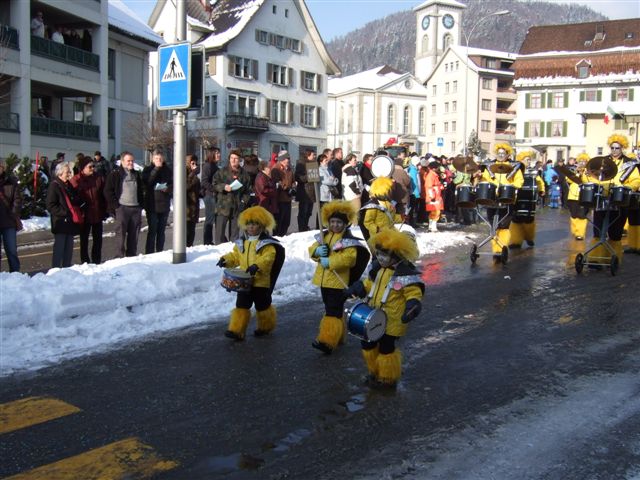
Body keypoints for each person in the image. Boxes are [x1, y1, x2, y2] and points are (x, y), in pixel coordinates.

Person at [344, 228, 425, 389]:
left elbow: (413, 293)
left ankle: (388, 377)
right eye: (378, 254)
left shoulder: (405, 276)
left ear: (396, 257)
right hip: (374, 316)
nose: (380, 258)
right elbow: (369, 284)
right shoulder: (378, 270)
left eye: (384, 255)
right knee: (367, 343)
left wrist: (412, 306)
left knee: (386, 348)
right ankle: (374, 370)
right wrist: (358, 288)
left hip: (393, 320)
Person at [308, 201, 370, 354]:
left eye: (339, 222)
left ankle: (327, 342)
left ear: (345, 223)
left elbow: (349, 259)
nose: (335, 225)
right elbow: (312, 248)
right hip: (324, 280)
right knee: (333, 309)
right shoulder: (324, 236)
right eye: (333, 222)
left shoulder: (348, 241)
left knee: (332, 311)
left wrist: (330, 261)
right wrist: (317, 252)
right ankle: (339, 336)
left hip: (338, 282)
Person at [216, 206, 285, 340]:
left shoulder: (267, 244)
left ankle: (265, 327)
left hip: (261, 282)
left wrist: (256, 266)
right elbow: (236, 256)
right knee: (241, 304)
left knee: (262, 305)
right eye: (248, 224)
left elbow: (268, 258)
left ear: (262, 225)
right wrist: (225, 260)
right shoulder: (242, 242)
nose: (251, 227)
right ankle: (237, 330)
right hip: (244, 282)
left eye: (254, 224)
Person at [583, 134, 640, 265]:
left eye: (617, 148)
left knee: (615, 232)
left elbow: (636, 180)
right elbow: (590, 175)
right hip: (602, 198)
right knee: (598, 230)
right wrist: (592, 183)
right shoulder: (601, 162)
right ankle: (596, 258)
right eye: (612, 148)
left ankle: (612, 257)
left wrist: (628, 187)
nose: (614, 150)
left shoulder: (629, 164)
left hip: (620, 199)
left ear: (622, 148)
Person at [474, 143, 524, 263]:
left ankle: (501, 248)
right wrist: (479, 177)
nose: (501, 155)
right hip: (492, 199)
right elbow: (485, 179)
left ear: (508, 155)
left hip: (507, 199)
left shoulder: (514, 166)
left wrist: (511, 187)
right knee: (493, 226)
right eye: (499, 153)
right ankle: (496, 249)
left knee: (503, 226)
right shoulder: (490, 166)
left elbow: (519, 181)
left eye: (503, 153)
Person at [104, 151, 144, 258]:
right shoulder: (115, 174)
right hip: (122, 208)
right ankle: (119, 257)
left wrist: (141, 205)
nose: (131, 163)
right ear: (122, 162)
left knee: (134, 235)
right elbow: (107, 191)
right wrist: (116, 206)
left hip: (135, 208)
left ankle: (131, 256)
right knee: (120, 235)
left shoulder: (136, 174)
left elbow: (141, 190)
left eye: (132, 161)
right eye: (128, 161)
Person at [70, 155, 106, 264]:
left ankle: (96, 261)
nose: (92, 169)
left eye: (93, 166)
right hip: (84, 214)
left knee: (98, 239)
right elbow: (72, 196)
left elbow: (103, 194)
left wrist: (104, 209)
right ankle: (85, 261)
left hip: (97, 213)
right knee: (84, 240)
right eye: (90, 167)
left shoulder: (98, 178)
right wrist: (80, 205)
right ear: (83, 168)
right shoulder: (76, 180)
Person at [46, 162, 81, 268]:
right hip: (61, 222)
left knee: (69, 249)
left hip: (70, 222)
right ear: (60, 173)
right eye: (67, 172)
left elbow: (75, 199)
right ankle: (56, 270)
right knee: (59, 249)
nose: (69, 174)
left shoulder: (69, 185)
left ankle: (67, 270)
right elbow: (50, 205)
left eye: (69, 172)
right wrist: (65, 212)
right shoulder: (54, 186)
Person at [213, 149, 251, 244]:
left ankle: (233, 250)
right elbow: (214, 184)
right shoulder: (222, 171)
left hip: (237, 207)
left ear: (240, 160)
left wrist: (243, 201)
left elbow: (248, 191)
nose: (233, 160)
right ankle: (219, 251)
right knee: (219, 235)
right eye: (231, 158)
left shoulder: (244, 174)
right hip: (223, 206)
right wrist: (224, 187)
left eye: (236, 158)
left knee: (234, 236)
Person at [509, 151, 545, 248]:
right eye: (526, 160)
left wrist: (541, 190)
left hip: (529, 197)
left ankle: (529, 237)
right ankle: (516, 241)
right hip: (517, 197)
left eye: (529, 160)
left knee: (529, 218)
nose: (528, 161)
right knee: (516, 219)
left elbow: (539, 182)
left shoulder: (533, 171)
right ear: (520, 160)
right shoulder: (514, 170)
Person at [142, 150, 172, 254]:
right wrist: (156, 169)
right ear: (152, 159)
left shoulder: (168, 170)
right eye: (156, 159)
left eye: (160, 158)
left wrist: (168, 188)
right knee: (152, 231)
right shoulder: (148, 169)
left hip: (164, 204)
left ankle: (160, 251)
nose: (159, 160)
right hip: (152, 205)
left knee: (161, 231)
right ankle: (149, 253)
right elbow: (147, 181)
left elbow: (173, 183)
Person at [359, 176, 401, 241]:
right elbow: (367, 222)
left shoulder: (388, 203)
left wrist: (401, 217)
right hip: (378, 238)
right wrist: (377, 229)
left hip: (390, 234)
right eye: (388, 190)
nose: (390, 192)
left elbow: (391, 217)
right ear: (382, 190)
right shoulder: (372, 206)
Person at [0, 159, 22, 273]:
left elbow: (17, 200)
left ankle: (15, 274)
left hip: (8, 222)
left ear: (3, 168)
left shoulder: (11, 182)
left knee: (12, 250)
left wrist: (13, 213)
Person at [270, 150, 296, 236]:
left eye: (288, 158)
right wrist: (287, 189)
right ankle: (277, 237)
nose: (288, 160)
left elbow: (293, 180)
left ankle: (283, 237)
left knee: (287, 222)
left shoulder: (289, 168)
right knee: (278, 222)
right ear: (281, 159)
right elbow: (277, 182)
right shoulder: (275, 169)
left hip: (288, 199)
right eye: (286, 158)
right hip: (279, 199)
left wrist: (293, 187)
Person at [566, 153, 589, 241]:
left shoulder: (589, 172)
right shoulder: (574, 170)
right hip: (572, 196)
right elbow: (568, 180)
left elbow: (588, 181)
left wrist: (583, 174)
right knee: (573, 215)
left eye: (584, 161)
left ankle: (580, 233)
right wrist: (577, 173)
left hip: (584, 196)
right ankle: (575, 231)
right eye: (580, 161)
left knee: (582, 215)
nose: (582, 163)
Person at [201, 146, 220, 245]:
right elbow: (204, 182)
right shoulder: (208, 166)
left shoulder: (215, 166)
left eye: (219, 153)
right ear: (211, 154)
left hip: (214, 195)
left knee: (213, 218)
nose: (219, 155)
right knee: (210, 219)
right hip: (209, 195)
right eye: (216, 153)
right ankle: (207, 241)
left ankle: (210, 240)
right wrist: (215, 188)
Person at [294, 150, 317, 232]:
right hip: (304, 192)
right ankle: (301, 229)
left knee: (309, 213)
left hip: (312, 192)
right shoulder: (301, 164)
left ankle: (305, 226)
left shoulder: (314, 164)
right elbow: (298, 177)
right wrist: (310, 175)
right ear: (308, 155)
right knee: (303, 212)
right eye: (313, 155)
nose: (314, 156)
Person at [423, 161, 444, 232]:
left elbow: (434, 185)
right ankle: (433, 227)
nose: (439, 169)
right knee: (436, 212)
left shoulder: (433, 175)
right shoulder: (431, 175)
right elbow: (429, 187)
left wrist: (440, 186)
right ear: (434, 168)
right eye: (438, 167)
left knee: (434, 212)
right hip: (433, 197)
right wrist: (432, 197)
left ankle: (431, 227)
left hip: (435, 196)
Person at [186, 154, 201, 247]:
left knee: (192, 231)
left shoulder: (194, 176)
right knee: (186, 232)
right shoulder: (185, 173)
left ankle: (190, 247)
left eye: (196, 163)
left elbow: (197, 190)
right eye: (192, 163)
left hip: (194, 207)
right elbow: (185, 186)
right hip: (186, 207)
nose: (194, 165)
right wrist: (193, 174)